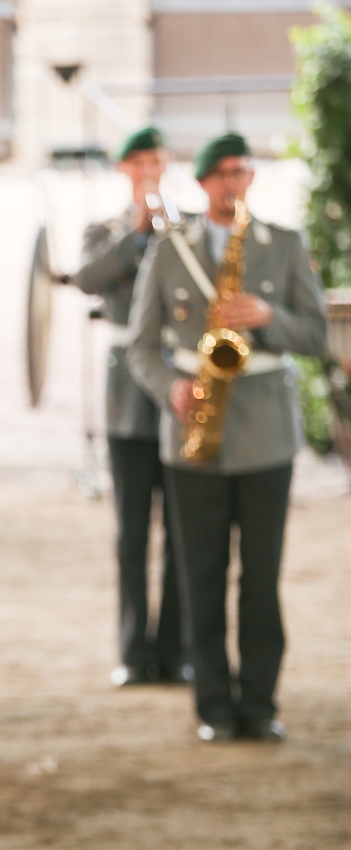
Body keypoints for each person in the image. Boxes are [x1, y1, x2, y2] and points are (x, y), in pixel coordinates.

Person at [127, 132, 327, 743]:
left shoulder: (284, 245)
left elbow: (317, 334)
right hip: (193, 432)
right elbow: (141, 347)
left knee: (261, 576)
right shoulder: (170, 251)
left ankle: (261, 703)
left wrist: (269, 318)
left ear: (251, 179)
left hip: (265, 432)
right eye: (221, 175)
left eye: (242, 173)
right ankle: (213, 705)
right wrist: (171, 388)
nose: (232, 184)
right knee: (201, 575)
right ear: (203, 182)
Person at [76, 125, 188, 688]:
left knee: (183, 529)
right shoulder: (103, 230)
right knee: (131, 534)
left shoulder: (187, 227)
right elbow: (87, 279)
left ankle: (175, 649)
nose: (148, 170)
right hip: (127, 401)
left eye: (156, 160)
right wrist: (135, 234)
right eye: (138, 161)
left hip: (179, 390)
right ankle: (131, 648)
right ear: (124, 169)